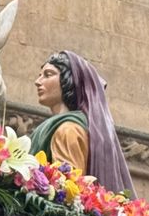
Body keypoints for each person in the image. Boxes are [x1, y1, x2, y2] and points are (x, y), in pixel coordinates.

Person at [30, 49, 133, 193]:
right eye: (40, 75)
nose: (38, 82)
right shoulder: (66, 127)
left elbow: (67, 192)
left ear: (69, 81)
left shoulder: (68, 130)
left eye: (48, 75)